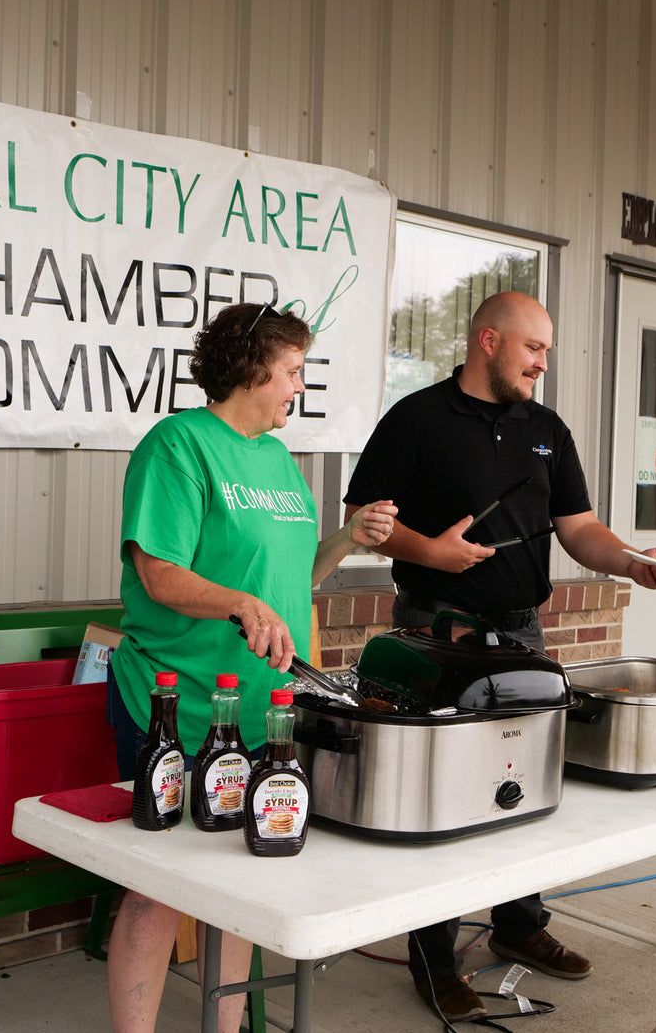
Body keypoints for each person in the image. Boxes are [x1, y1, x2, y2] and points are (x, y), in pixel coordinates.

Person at [344, 289, 656, 1022]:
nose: (542, 361)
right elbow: (363, 521)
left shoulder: (546, 429)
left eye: (547, 350)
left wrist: (630, 561)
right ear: (488, 341)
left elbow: (580, 527)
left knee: (526, 778)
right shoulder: (416, 419)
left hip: (521, 629)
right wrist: (428, 549)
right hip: (435, 629)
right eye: (534, 347)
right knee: (443, 789)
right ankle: (435, 961)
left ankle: (519, 926)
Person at [105, 302, 396, 1033]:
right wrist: (238, 603)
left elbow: (291, 585)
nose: (298, 386)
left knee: (239, 886)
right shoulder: (178, 445)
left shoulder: (276, 461)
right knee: (157, 889)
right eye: (292, 371)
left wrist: (345, 538)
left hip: (260, 711)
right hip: (173, 705)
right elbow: (160, 574)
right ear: (250, 368)